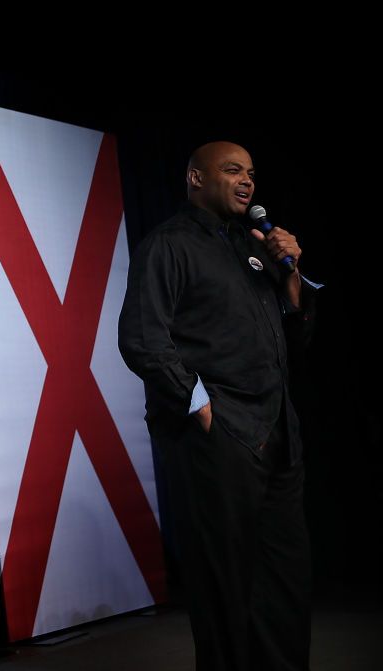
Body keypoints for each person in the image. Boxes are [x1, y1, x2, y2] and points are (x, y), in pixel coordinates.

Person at [118, 141, 317, 670]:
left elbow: (293, 344)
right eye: (232, 170)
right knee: (226, 592)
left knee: (285, 588)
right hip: (221, 440)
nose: (247, 181)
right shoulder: (169, 245)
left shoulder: (253, 248)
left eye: (251, 173)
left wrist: (291, 278)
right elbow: (142, 338)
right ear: (196, 178)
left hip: (278, 437)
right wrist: (203, 409)